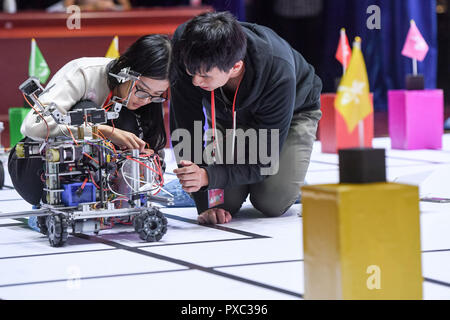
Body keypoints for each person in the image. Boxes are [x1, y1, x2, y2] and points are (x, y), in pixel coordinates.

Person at [170, 11, 322, 225]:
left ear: (235, 67)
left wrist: (208, 176)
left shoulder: (278, 69)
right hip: (227, 112)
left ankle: (291, 176)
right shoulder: (185, 48)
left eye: (204, 75)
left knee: (272, 202)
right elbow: (185, 127)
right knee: (222, 204)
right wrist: (200, 194)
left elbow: (263, 162)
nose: (195, 82)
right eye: (190, 72)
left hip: (292, 114)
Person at [9, 34, 171, 205]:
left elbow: (156, 153)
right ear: (125, 69)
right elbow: (33, 126)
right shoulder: (83, 73)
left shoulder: (148, 99)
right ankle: (60, 202)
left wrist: (148, 159)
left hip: (104, 189)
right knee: (85, 110)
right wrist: (100, 131)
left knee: (130, 132)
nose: (145, 100)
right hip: (35, 172)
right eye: (141, 90)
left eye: (157, 95)